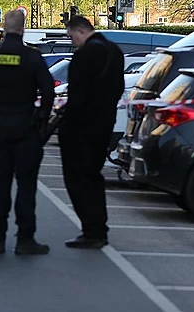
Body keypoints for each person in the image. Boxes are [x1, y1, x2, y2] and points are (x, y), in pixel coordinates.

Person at [0, 9, 55, 255]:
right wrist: (40, 118)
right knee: (26, 187)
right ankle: (25, 239)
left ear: (3, 28)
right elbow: (48, 91)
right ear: (23, 29)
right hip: (25, 129)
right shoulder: (32, 57)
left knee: (1, 187)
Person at [59, 15, 124, 249]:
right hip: (105, 125)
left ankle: (91, 230)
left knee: (77, 179)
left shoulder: (84, 56)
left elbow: (76, 97)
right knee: (94, 178)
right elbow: (119, 88)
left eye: (71, 37)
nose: (73, 42)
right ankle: (99, 229)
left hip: (81, 129)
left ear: (79, 31)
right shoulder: (114, 51)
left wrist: (65, 123)